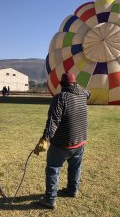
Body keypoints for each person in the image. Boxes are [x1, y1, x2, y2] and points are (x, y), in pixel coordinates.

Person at [34, 72, 91, 209]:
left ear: (61, 85)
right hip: (80, 141)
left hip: (62, 144)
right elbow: (88, 92)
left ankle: (50, 199)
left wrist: (45, 138)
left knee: (53, 169)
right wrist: (77, 85)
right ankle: (72, 190)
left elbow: (53, 121)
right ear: (75, 83)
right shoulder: (82, 94)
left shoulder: (60, 98)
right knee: (75, 167)